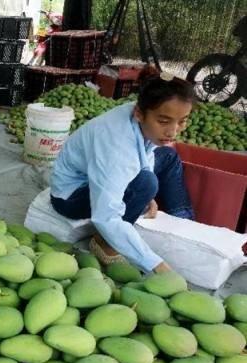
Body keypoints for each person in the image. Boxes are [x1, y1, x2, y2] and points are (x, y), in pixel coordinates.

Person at [49, 70, 196, 274]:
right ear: (139, 113)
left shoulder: (138, 117)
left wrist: (147, 197)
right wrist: (156, 265)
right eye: (163, 121)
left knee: (168, 157)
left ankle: (183, 223)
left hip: (99, 173)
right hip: (70, 197)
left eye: (182, 121)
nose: (173, 131)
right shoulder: (116, 147)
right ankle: (104, 241)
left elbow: (146, 151)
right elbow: (105, 216)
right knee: (147, 182)